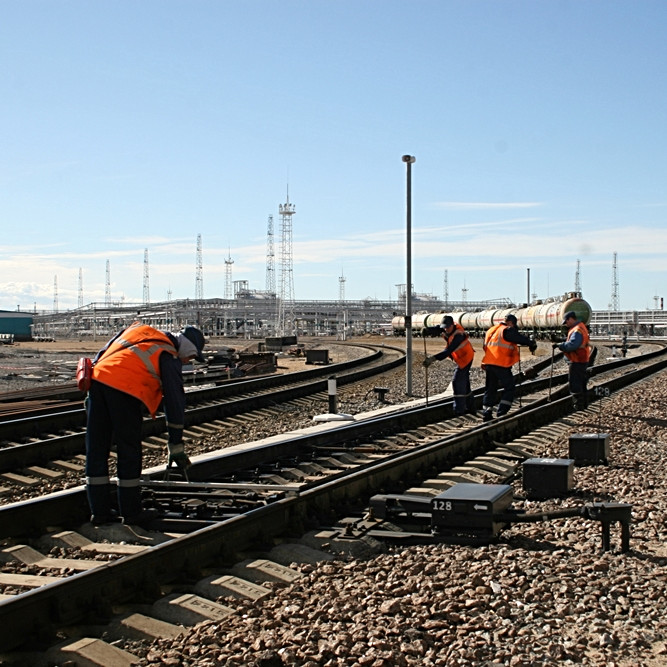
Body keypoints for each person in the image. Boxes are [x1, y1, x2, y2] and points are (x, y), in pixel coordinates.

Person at [84, 321, 206, 526]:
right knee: (128, 449)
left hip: (97, 382)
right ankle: (131, 512)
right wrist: (175, 442)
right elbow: (175, 400)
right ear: (187, 347)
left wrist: (91, 393)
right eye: (191, 356)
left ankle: (99, 511)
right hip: (124, 391)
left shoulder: (137, 331)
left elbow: (104, 353)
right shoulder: (167, 353)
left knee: (96, 449)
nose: (187, 361)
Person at [481, 313, 537, 421]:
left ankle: (486, 412)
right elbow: (519, 338)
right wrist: (531, 342)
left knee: (490, 388)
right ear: (511, 323)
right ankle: (502, 412)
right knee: (509, 387)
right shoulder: (507, 330)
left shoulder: (492, 330)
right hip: (501, 364)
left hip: (489, 363)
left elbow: (485, 346)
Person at [423, 315, 475, 416]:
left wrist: (432, 359)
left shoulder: (458, 335)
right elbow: (438, 328)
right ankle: (471, 408)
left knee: (457, 382)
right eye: (444, 327)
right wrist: (427, 330)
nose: (446, 329)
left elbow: (448, 351)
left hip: (466, 358)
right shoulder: (448, 328)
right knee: (465, 383)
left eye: (447, 327)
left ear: (452, 325)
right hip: (460, 358)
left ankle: (459, 411)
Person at [553, 310, 591, 410]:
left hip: (577, 359)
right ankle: (584, 404)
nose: (566, 324)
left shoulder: (577, 330)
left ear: (570, 319)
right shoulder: (580, 327)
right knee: (582, 382)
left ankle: (578, 405)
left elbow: (573, 344)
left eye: (566, 322)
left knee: (575, 383)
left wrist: (560, 346)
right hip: (582, 359)